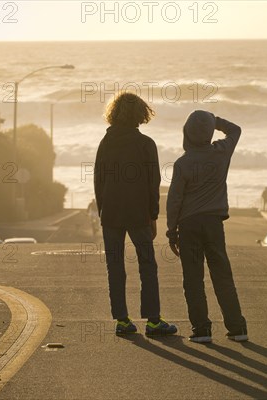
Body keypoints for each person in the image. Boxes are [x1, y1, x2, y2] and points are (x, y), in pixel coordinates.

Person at [94, 92, 177, 337]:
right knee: (147, 265)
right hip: (139, 213)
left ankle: (122, 320)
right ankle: (153, 320)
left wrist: (102, 211)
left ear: (114, 113)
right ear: (141, 114)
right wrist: (153, 216)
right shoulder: (145, 144)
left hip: (110, 213)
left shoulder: (105, 143)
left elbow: (99, 180)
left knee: (115, 266)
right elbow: (154, 184)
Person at [166, 110, 248, 343]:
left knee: (193, 279)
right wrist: (214, 119)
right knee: (222, 275)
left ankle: (202, 330)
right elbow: (236, 129)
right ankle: (237, 327)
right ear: (210, 132)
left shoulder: (183, 163)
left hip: (189, 225)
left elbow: (174, 200)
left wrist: (172, 231)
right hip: (214, 223)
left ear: (186, 134)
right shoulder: (221, 153)